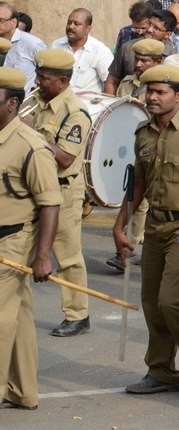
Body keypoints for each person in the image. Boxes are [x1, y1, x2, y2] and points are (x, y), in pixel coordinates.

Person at [114, 64, 179, 395]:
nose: (152, 97)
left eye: (161, 92)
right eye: (149, 91)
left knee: (171, 300)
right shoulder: (144, 134)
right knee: (151, 302)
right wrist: (120, 226)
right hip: (156, 226)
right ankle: (161, 370)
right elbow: (139, 185)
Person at [20, 48, 92, 337]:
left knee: (68, 254)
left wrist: (27, 132)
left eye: (44, 77)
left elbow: (64, 158)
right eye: (38, 75)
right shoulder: (34, 102)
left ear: (62, 80)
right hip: (32, 188)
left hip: (63, 189)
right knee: (20, 247)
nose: (38, 81)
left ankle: (78, 314)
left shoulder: (75, 112)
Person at [0, 67, 60, 409]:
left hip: (14, 239)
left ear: (12, 105)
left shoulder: (31, 146)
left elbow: (50, 203)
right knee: (18, 314)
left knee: (1, 317)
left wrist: (42, 255)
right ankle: (24, 391)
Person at [51, 8, 113, 92]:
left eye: (76, 24)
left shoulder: (100, 51)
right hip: (58, 101)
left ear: (88, 29)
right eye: (69, 23)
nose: (71, 26)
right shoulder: (56, 45)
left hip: (87, 103)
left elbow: (109, 82)